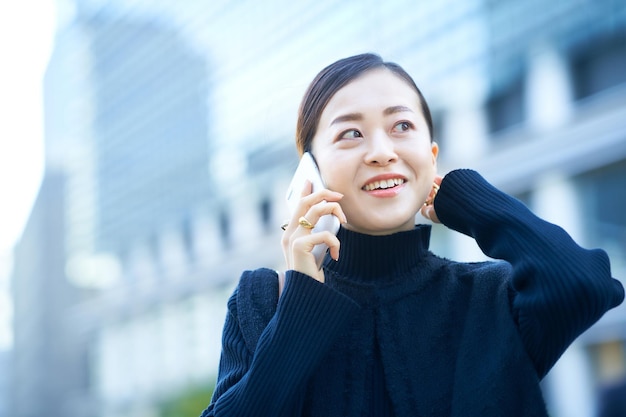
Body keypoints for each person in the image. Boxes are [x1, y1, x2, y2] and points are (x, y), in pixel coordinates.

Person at [200, 53, 624, 416]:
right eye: (351, 133)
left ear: (430, 155)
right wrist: (300, 310)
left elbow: (583, 284)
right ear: (309, 172)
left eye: (402, 126)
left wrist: (465, 197)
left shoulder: (488, 296)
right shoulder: (264, 301)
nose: (383, 151)